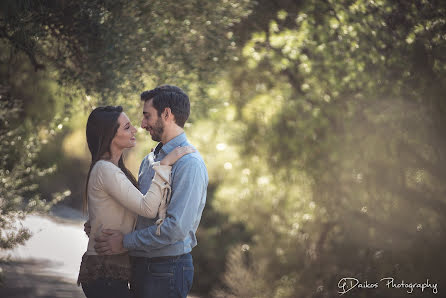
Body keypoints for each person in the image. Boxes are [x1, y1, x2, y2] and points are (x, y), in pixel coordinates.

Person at [94, 85, 209, 298]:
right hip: (142, 265)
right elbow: (143, 212)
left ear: (166, 114)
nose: (142, 124)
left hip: (166, 269)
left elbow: (175, 229)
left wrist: (125, 242)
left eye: (147, 116)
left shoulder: (188, 164)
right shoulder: (150, 159)